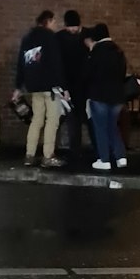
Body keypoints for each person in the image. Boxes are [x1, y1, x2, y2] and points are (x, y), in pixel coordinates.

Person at [13, 9, 68, 168]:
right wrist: (64, 87)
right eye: (54, 22)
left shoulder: (27, 38)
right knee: (52, 121)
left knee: (36, 120)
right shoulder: (50, 37)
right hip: (50, 87)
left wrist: (18, 87)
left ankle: (29, 155)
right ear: (48, 21)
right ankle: (48, 156)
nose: (55, 25)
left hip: (34, 87)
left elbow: (21, 64)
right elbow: (57, 64)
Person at [84, 22, 128, 171]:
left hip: (99, 96)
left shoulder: (96, 51)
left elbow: (88, 74)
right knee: (112, 127)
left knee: (100, 128)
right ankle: (121, 157)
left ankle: (104, 160)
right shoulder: (118, 51)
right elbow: (122, 74)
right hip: (117, 97)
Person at [58, 9, 91, 167]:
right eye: (69, 27)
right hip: (71, 86)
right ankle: (75, 151)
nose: (72, 30)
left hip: (81, 86)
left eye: (74, 27)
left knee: (78, 119)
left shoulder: (60, 37)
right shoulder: (84, 36)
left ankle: (77, 151)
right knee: (75, 120)